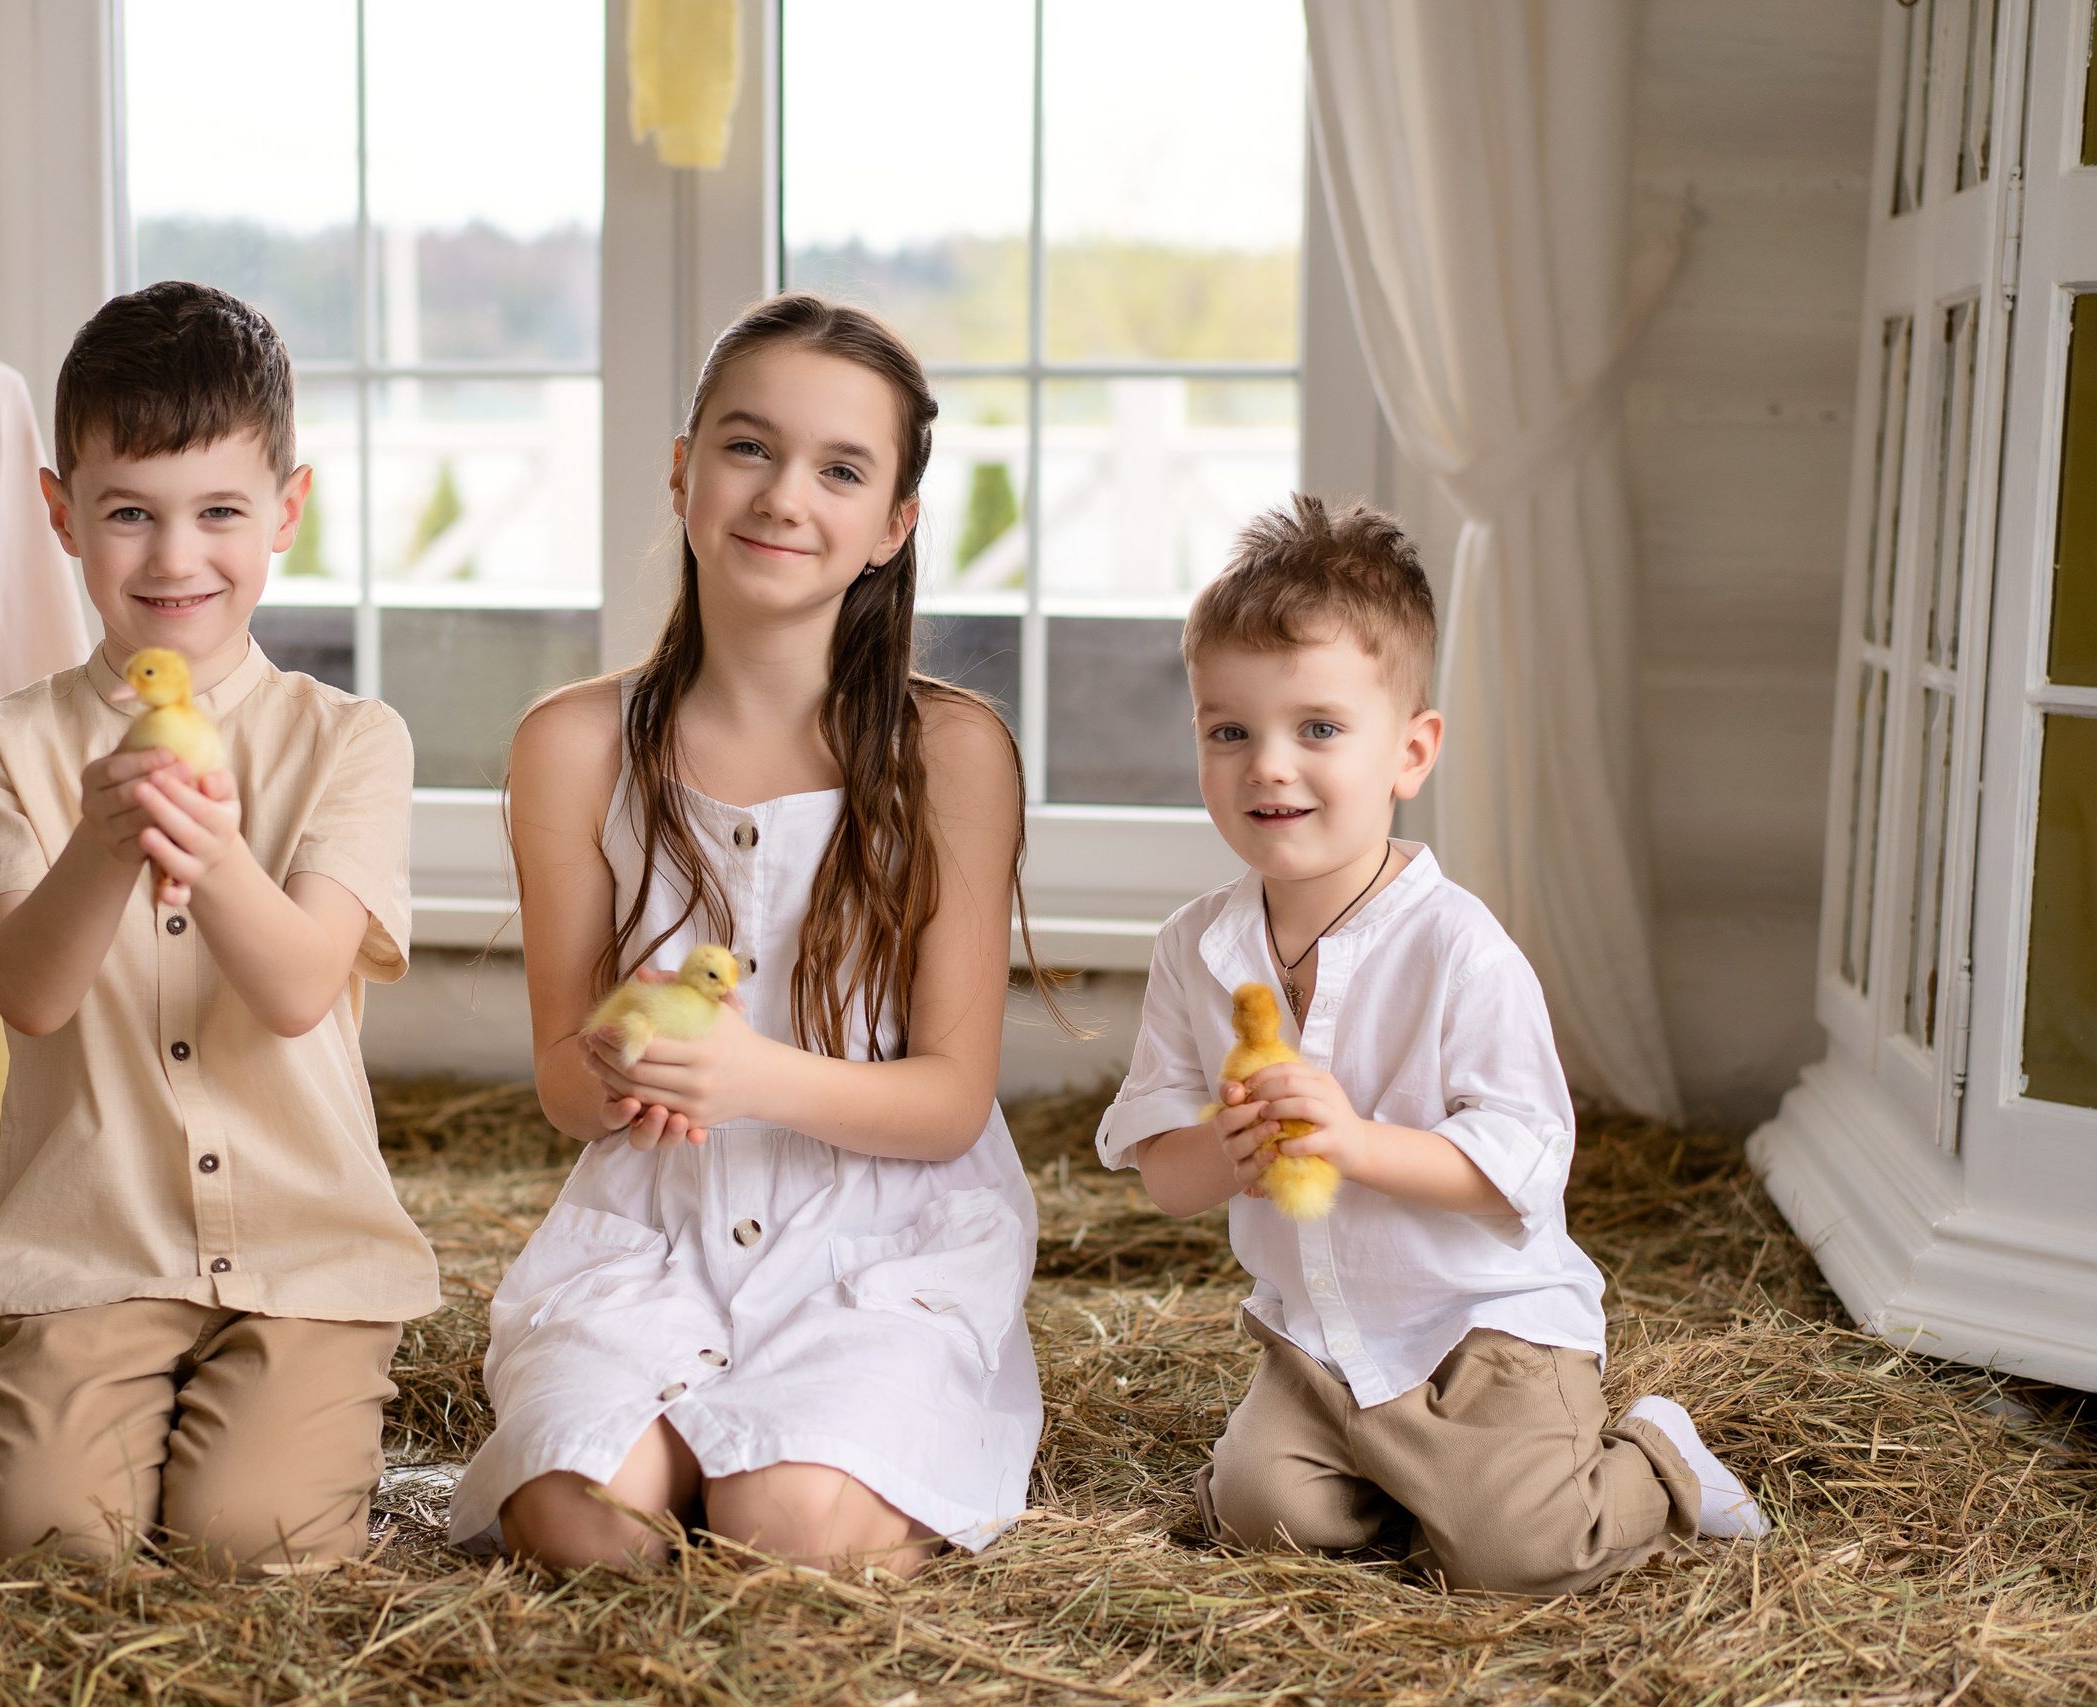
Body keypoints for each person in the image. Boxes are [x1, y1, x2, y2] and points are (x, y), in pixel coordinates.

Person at [447, 294, 1041, 1576]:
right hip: (654, 1230)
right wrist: (618, 1064)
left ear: (892, 527)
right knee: (578, 1530)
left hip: (878, 1238)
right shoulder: (572, 746)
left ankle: (811, 1457)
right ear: (682, 471)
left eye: (840, 469)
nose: (783, 495)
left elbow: (947, 1104)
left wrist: (752, 1076)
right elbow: (563, 1082)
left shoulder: (951, 753)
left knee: (788, 1533)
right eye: (747, 446)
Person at [1097, 495, 1767, 1596]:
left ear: (1411, 752)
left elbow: (1523, 1161)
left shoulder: (1460, 949)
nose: (1268, 765)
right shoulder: (1194, 950)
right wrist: (1239, 1145)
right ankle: (1418, 1481)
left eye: (1317, 729)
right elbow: (1168, 1176)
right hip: (1318, 1341)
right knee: (1257, 1516)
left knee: (1523, 1559)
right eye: (1230, 731)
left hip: (1478, 1333)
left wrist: (1353, 1140)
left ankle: (1653, 1459)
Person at [0, 282, 439, 1576]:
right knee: (44, 1540)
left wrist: (208, 854)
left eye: (219, 512)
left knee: (245, 1539)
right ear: (62, 513)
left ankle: (285, 1417)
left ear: (286, 510)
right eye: (129, 515)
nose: (174, 559)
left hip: (307, 1250)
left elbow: (297, 985)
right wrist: (107, 844)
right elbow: (31, 995)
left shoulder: (350, 743)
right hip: (97, 1248)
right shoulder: (1, 745)